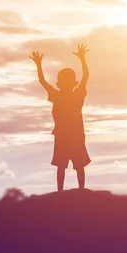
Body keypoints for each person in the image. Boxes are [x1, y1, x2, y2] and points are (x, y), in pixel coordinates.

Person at [30, 44, 91, 192]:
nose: (66, 84)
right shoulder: (62, 95)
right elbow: (43, 82)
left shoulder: (70, 95)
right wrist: (38, 65)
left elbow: (85, 76)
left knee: (75, 165)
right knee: (64, 165)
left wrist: (83, 59)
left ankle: (74, 190)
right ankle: (62, 192)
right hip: (65, 136)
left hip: (73, 136)